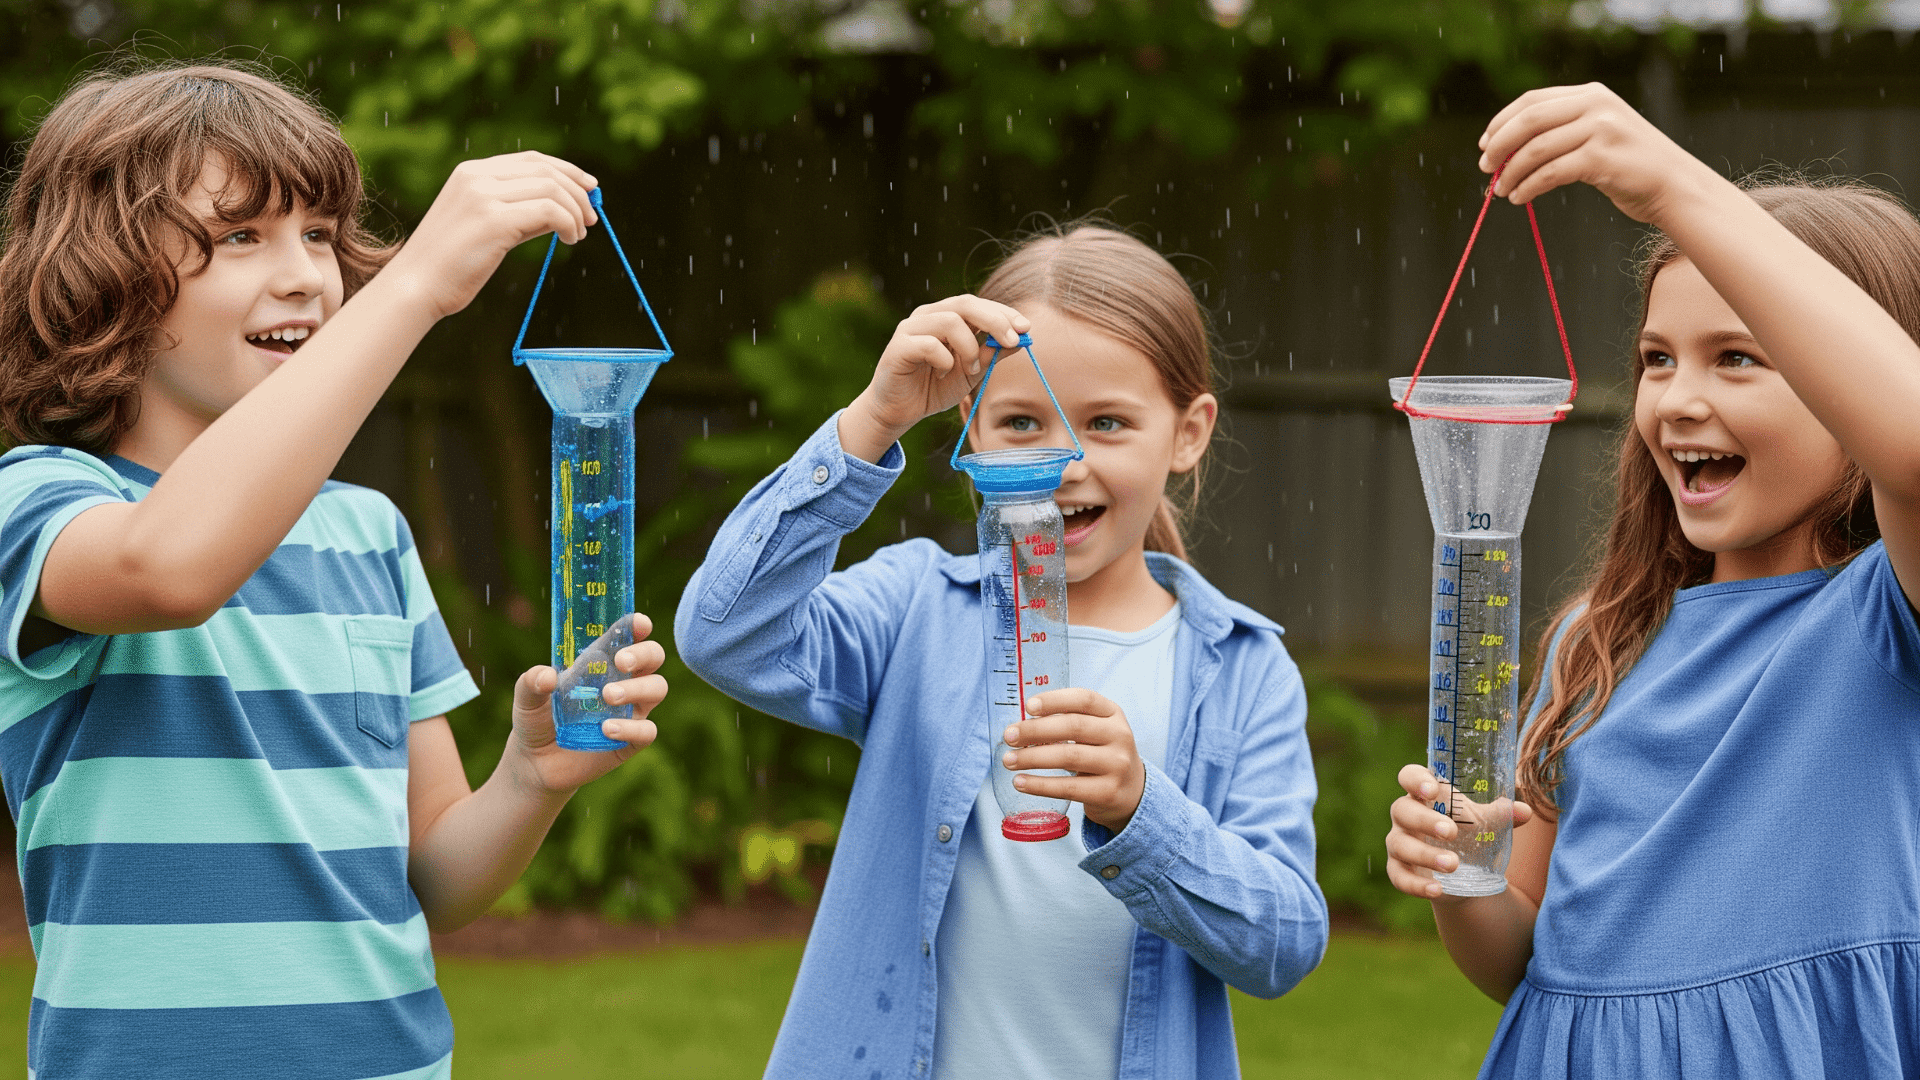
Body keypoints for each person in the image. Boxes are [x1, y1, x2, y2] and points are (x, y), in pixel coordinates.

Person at [0, 62, 669, 1078]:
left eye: (318, 235)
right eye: (240, 237)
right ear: (102, 275)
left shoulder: (370, 533)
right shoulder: (41, 502)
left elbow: (432, 875)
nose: (308, 275)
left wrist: (530, 782)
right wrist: (413, 287)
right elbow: (168, 571)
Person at [677, 223, 1327, 1079]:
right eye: (1022, 421)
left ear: (1189, 432)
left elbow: (1281, 944)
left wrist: (1141, 809)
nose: (1062, 462)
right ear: (971, 434)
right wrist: (872, 421)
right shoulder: (914, 607)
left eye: (1106, 422)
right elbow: (726, 633)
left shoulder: (1243, 670)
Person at [1384, 83, 1920, 1077]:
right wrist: (1461, 877)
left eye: (1739, 358)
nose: (1679, 400)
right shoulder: (1597, 638)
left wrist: (1675, 187)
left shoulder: (1886, 619)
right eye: (1658, 359)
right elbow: (1528, 957)